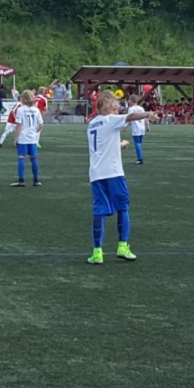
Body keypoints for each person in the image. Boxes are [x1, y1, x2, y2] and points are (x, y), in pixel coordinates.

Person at [86, 91, 153, 265]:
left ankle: (97, 251)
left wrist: (119, 144)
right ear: (109, 108)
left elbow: (102, 144)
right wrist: (147, 114)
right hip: (113, 172)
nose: (117, 112)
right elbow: (130, 117)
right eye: (115, 109)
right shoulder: (110, 119)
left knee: (99, 211)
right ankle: (123, 246)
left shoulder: (92, 123)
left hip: (96, 173)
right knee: (123, 207)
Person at [11, 90, 43, 187]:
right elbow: (41, 125)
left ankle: (21, 180)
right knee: (33, 158)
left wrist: (16, 138)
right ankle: (36, 180)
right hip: (32, 138)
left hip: (23, 137)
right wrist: (34, 132)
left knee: (21, 157)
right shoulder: (36, 110)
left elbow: (19, 125)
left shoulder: (20, 110)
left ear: (23, 99)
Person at [126, 95, 149, 164]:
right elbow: (145, 117)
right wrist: (147, 126)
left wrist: (125, 127)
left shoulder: (131, 109)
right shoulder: (141, 108)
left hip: (136, 128)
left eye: (129, 100)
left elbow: (129, 118)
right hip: (142, 128)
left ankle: (140, 159)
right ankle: (140, 158)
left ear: (131, 101)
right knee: (139, 143)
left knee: (137, 143)